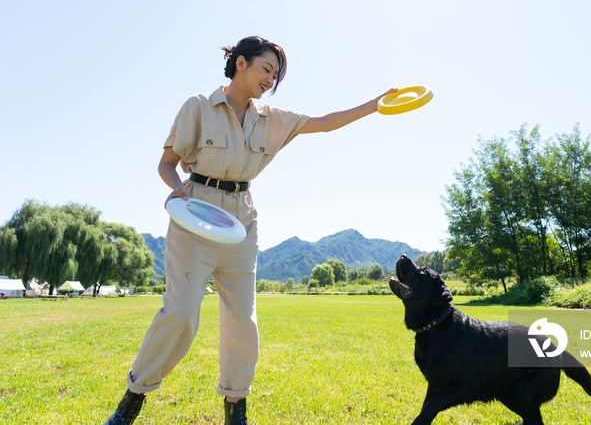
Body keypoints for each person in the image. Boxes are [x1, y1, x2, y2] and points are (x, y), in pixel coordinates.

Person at [103, 36, 395, 425]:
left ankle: (235, 407)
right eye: (266, 69)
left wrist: (375, 105)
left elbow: (324, 124)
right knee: (182, 313)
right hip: (196, 215)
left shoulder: (271, 118)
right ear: (241, 63)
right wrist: (175, 187)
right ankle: (134, 397)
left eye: (275, 76)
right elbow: (167, 163)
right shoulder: (198, 106)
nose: (270, 80)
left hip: (242, 223)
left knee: (244, 320)